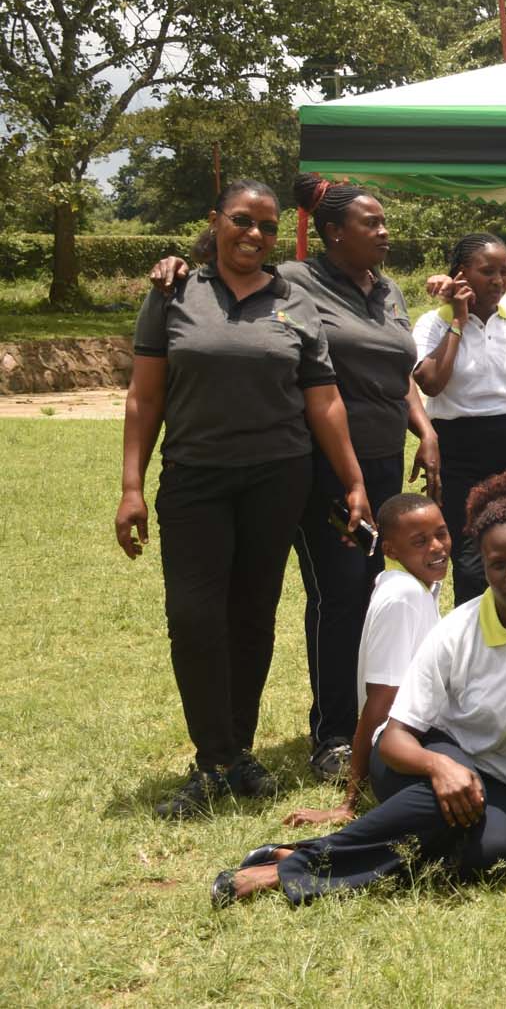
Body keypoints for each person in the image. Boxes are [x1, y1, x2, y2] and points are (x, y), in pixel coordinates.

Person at [147, 173, 443, 783]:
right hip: (320, 466)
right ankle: (333, 734)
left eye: (385, 222)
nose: (385, 232)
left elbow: (399, 371)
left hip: (381, 461)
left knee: (382, 593)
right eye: (371, 223)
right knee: (339, 594)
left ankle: (387, 718)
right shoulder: (297, 281)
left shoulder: (388, 289)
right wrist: (177, 264)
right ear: (332, 233)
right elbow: (232, 275)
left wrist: (425, 428)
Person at [210, 472, 506, 906]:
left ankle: (292, 854)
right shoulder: (455, 632)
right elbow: (394, 737)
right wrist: (439, 766)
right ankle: (293, 869)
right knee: (449, 801)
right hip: (421, 753)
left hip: (503, 778)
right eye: (498, 564)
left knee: (489, 855)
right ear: (482, 564)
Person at [119, 179, 376, 819]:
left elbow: (324, 400)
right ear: (216, 221)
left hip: (276, 479)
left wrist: (352, 481)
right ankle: (213, 759)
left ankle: (235, 753)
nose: (254, 234)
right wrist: (131, 487)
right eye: (242, 220)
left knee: (253, 615)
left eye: (267, 226)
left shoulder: (294, 301)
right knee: (194, 617)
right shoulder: (173, 293)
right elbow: (145, 398)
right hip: (195, 479)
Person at [279, 494, 450, 832]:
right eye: (419, 541)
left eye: (441, 533)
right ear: (390, 550)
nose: (436, 547)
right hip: (401, 749)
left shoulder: (416, 584)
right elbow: (379, 702)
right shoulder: (403, 597)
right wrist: (349, 803)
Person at [411, 232, 506, 602]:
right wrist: (458, 321)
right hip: (462, 450)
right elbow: (431, 383)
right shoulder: (432, 323)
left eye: (505, 271)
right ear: (461, 273)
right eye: (487, 271)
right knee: (472, 558)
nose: (498, 281)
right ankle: (477, 633)